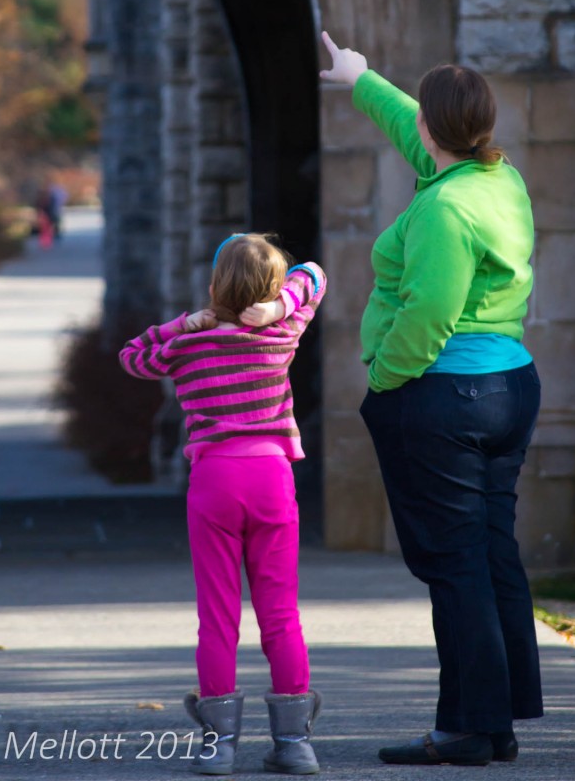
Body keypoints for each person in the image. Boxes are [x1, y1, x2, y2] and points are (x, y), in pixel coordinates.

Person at [320, 31, 543, 768]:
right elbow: (422, 134)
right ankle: (497, 720)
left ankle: (467, 730)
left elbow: (428, 313)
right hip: (508, 386)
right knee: (488, 551)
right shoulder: (494, 178)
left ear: (433, 129)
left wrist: (383, 380)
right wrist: (360, 80)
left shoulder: (444, 212)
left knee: (455, 563)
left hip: (446, 395)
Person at [119, 233, 326, 776]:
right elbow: (316, 277)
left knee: (217, 617)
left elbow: (132, 358)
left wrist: (182, 324)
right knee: (281, 615)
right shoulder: (282, 333)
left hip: (213, 482)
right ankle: (294, 744)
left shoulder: (187, 347)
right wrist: (280, 305)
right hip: (272, 479)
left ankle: (219, 746)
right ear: (272, 291)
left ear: (214, 287)